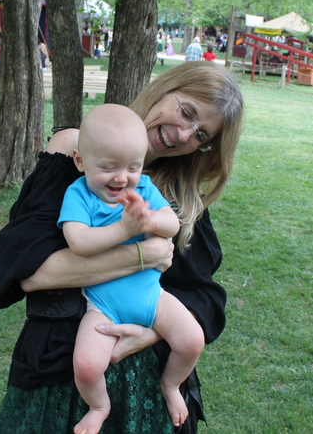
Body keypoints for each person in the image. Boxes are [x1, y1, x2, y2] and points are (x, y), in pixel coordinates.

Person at [0, 61, 244, 434]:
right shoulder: (75, 154)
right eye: (186, 112)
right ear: (164, 88)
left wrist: (152, 333)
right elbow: (25, 269)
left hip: (149, 378)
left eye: (200, 134)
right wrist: (142, 254)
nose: (184, 134)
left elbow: (204, 297)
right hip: (63, 365)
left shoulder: (178, 194)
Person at [59, 104, 203, 434]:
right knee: (86, 365)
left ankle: (170, 384)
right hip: (103, 306)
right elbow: (78, 242)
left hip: (151, 296)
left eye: (133, 167)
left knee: (193, 340)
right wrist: (124, 229)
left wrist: (151, 220)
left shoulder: (144, 189)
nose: (122, 177)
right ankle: (99, 406)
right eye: (109, 167)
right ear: (81, 161)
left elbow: (172, 224)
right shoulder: (79, 195)